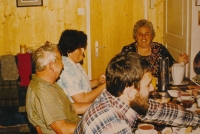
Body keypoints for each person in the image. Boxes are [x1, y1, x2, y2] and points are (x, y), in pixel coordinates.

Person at [74, 52, 200, 134]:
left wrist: (196, 119)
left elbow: (159, 110)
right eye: (148, 84)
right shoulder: (116, 127)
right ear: (130, 92)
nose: (152, 89)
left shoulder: (115, 96)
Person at [26, 41, 91, 134]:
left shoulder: (49, 83)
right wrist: (92, 126)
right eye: (61, 61)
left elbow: (69, 108)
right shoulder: (43, 92)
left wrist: (97, 105)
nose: (63, 65)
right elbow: (63, 130)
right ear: (51, 66)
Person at [122, 19, 189, 77]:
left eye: (147, 33)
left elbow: (170, 68)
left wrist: (179, 63)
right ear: (135, 36)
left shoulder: (159, 49)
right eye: (140, 34)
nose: (143, 37)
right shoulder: (128, 50)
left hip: (157, 87)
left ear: (151, 36)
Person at [57, 29, 106, 103]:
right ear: (69, 50)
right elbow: (82, 100)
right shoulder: (68, 69)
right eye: (80, 48)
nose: (83, 50)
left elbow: (81, 85)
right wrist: (105, 86)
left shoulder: (73, 63)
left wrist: (97, 81)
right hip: (77, 112)